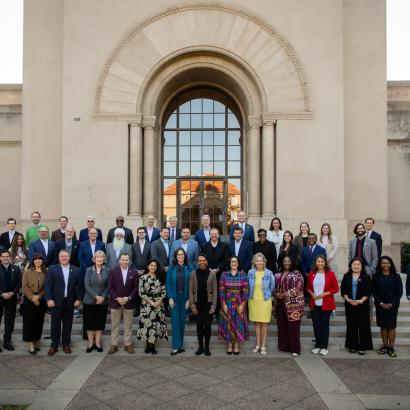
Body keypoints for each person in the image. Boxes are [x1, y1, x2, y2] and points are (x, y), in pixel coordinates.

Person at [45, 249, 83, 355]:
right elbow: (48, 285)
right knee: (55, 325)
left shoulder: (76, 270)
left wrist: (78, 299)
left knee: (68, 325)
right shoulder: (52, 269)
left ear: (69, 257)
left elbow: (80, 287)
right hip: (55, 302)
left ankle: (66, 344)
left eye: (66, 256)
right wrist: (49, 299)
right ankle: (54, 345)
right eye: (62, 256)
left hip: (70, 302)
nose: (64, 258)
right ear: (59, 258)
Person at [306, 255, 339, 356]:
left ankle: (324, 347)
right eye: (318, 262)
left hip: (326, 304)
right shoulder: (312, 274)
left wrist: (325, 294)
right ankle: (317, 346)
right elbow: (307, 288)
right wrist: (312, 294)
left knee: (324, 326)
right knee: (316, 325)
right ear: (315, 263)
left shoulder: (330, 274)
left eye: (322, 262)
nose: (320, 263)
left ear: (325, 263)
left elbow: (336, 288)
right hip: (314, 304)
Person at [107, 253, 138, 354]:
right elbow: (110, 287)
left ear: (129, 261)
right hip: (115, 302)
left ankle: (127, 344)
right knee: (115, 325)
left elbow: (135, 288)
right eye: (123, 260)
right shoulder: (113, 272)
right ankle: (114, 344)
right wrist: (117, 298)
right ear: (119, 261)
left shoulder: (133, 272)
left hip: (128, 303)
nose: (124, 262)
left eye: (126, 260)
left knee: (128, 325)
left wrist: (128, 298)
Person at [341, 258, 373, 355]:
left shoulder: (366, 276)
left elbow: (368, 292)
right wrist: (348, 300)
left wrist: (360, 301)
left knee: (363, 326)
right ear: (351, 266)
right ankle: (353, 346)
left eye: (358, 264)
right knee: (351, 326)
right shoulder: (346, 276)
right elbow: (343, 290)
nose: (356, 266)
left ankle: (363, 347)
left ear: (362, 266)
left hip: (362, 305)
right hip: (349, 305)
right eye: (354, 264)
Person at [274, 256, 304, 357]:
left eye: (288, 261)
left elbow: (299, 287)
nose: (286, 263)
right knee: (281, 325)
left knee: (293, 327)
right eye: (284, 261)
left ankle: (295, 349)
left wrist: (285, 294)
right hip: (280, 303)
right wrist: (276, 294)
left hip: (294, 305)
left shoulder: (297, 274)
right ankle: (284, 346)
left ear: (292, 262)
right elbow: (273, 287)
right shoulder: (277, 274)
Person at [373, 256, 403, 358]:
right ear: (380, 265)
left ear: (391, 264)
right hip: (380, 305)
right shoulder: (376, 276)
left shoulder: (396, 276)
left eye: (387, 263)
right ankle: (385, 346)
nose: (385, 265)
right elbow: (374, 292)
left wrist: (392, 303)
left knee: (391, 326)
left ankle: (391, 347)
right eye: (383, 263)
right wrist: (380, 303)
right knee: (383, 326)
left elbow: (400, 292)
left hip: (393, 305)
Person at [218, 255, 249, 355]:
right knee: (228, 324)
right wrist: (223, 304)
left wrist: (243, 305)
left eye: (235, 262)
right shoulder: (224, 275)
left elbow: (245, 291)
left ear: (238, 263)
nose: (234, 263)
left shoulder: (242, 275)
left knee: (237, 324)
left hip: (239, 303)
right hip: (227, 303)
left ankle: (236, 345)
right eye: (232, 262)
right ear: (229, 263)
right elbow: (221, 290)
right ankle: (229, 345)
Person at [137, 259, 168, 354]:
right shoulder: (142, 278)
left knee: (155, 325)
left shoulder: (160, 277)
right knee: (147, 325)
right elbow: (141, 292)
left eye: (155, 266)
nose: (153, 267)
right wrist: (151, 302)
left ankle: (153, 346)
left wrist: (159, 301)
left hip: (158, 305)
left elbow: (164, 291)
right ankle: (147, 345)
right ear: (148, 266)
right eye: (151, 265)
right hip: (146, 305)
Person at [189, 254, 217, 356]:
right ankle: (200, 347)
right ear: (197, 262)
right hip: (197, 304)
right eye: (200, 260)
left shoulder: (212, 274)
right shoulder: (193, 274)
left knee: (208, 326)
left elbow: (215, 291)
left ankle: (207, 347)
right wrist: (192, 305)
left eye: (203, 260)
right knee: (199, 326)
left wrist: (214, 306)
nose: (201, 262)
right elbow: (190, 291)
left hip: (208, 304)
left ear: (207, 262)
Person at [248, 253, 275, 355]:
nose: (259, 262)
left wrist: (267, 295)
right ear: (254, 262)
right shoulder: (250, 272)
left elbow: (272, 286)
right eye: (257, 260)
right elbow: (248, 285)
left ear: (264, 262)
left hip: (265, 301)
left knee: (264, 323)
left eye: (261, 260)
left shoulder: (269, 273)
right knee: (256, 323)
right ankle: (257, 344)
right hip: (253, 300)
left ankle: (263, 346)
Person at [166, 248, 191, 355]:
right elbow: (168, 283)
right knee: (175, 322)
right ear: (176, 256)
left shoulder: (189, 268)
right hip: (174, 298)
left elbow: (192, 285)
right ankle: (176, 346)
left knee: (182, 322)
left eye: (182, 254)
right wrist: (170, 297)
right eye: (178, 255)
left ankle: (180, 345)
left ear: (184, 256)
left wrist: (189, 299)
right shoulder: (171, 268)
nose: (180, 256)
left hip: (184, 298)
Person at [83, 250, 109, 353]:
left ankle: (98, 344)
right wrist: (96, 296)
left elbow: (108, 286)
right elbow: (86, 285)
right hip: (89, 301)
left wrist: (102, 297)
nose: (99, 259)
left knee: (99, 324)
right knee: (89, 324)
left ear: (104, 259)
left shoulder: (108, 270)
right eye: (97, 257)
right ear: (94, 259)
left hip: (103, 302)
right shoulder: (89, 270)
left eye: (101, 257)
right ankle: (90, 344)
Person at [22, 253, 47, 354]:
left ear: (42, 261)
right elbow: (25, 286)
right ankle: (30, 345)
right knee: (29, 322)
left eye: (40, 259)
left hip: (41, 299)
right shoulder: (27, 272)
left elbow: (46, 288)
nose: (38, 261)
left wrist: (39, 297)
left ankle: (36, 342)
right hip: (29, 300)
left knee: (38, 322)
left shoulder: (46, 273)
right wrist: (33, 298)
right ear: (33, 261)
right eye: (36, 259)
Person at [0, 249, 22, 351]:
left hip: (11, 297)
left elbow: (19, 282)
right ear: (0, 258)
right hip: (0, 297)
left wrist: (13, 292)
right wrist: (2, 293)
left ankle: (7, 341)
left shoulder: (16, 268)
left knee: (9, 320)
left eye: (7, 256)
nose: (5, 258)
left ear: (10, 257)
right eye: (3, 256)